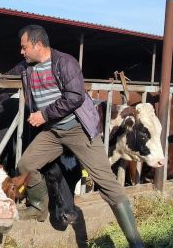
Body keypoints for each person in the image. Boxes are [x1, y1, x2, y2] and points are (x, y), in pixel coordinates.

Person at [8, 25, 144, 248]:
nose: (21, 52)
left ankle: (136, 242)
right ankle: (38, 207)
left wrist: (43, 114)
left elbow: (75, 97)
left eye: (24, 47)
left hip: (78, 129)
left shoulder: (65, 62)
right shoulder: (26, 67)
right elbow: (8, 76)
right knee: (26, 165)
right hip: (52, 132)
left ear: (38, 45)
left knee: (107, 183)